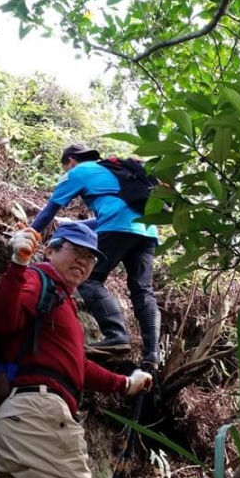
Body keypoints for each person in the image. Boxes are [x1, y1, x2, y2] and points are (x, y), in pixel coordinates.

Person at [0, 222, 153, 478]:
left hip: (21, 421)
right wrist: (18, 263)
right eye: (76, 251)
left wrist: (125, 384)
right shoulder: (38, 280)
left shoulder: (60, 301)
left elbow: (76, 365)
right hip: (37, 417)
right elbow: (0, 320)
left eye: (90, 258)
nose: (83, 262)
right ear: (50, 251)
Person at [29, 143, 161, 369]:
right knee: (143, 291)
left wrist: (28, 235)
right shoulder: (111, 171)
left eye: (65, 167)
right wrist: (74, 225)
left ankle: (116, 334)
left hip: (117, 225)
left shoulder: (77, 172)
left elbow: (49, 211)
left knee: (89, 279)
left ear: (70, 161)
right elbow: (106, 214)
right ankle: (152, 353)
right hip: (147, 230)